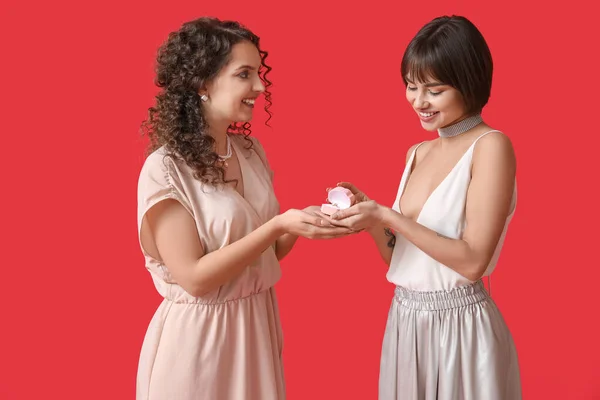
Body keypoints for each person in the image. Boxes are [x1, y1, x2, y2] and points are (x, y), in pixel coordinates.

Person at [135, 17, 350, 400]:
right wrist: (278, 225)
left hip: (256, 328)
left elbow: (268, 254)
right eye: (244, 74)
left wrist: (303, 223)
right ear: (203, 83)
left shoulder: (249, 153)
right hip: (200, 344)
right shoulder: (165, 170)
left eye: (258, 73)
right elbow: (195, 279)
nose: (259, 86)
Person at [325, 15, 522, 399]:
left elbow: (471, 261)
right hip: (405, 321)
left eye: (434, 89)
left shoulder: (491, 147)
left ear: (468, 82)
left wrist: (387, 215)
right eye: (411, 87)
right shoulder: (417, 152)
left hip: (462, 329)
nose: (419, 102)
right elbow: (403, 260)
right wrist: (370, 219)